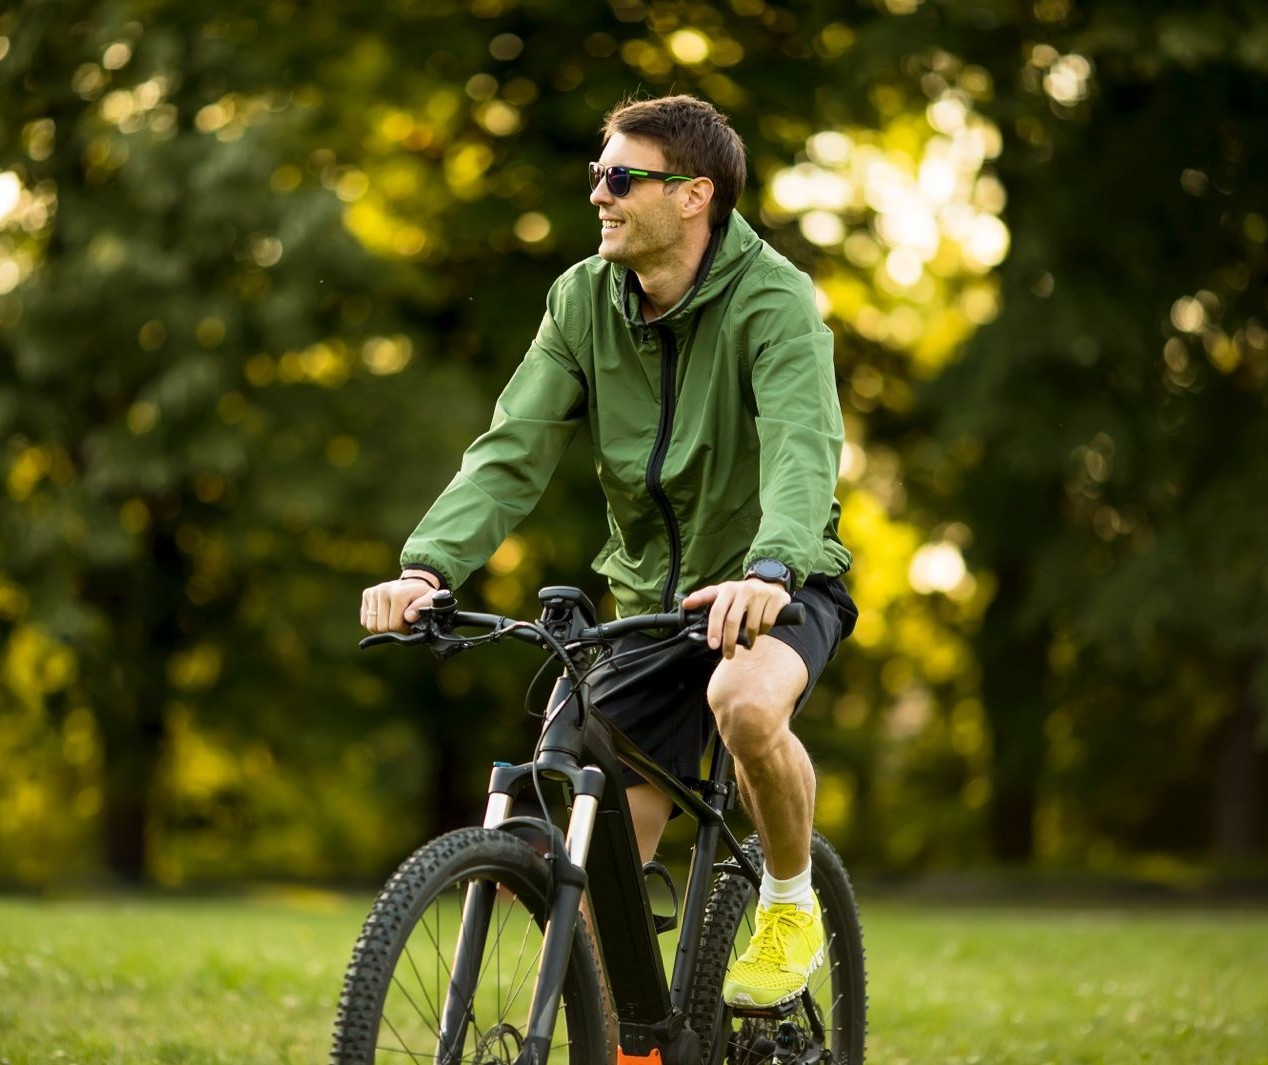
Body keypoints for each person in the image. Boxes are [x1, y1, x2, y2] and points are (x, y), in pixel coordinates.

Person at [360, 94, 856, 1010]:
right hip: (646, 608)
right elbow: (513, 449)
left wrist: (771, 567)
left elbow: (801, 444)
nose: (599, 194)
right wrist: (428, 566)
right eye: (597, 175)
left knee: (743, 702)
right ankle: (632, 1038)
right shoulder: (581, 300)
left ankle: (789, 900)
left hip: (779, 583)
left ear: (695, 194)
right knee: (589, 873)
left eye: (622, 178)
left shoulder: (773, 299)